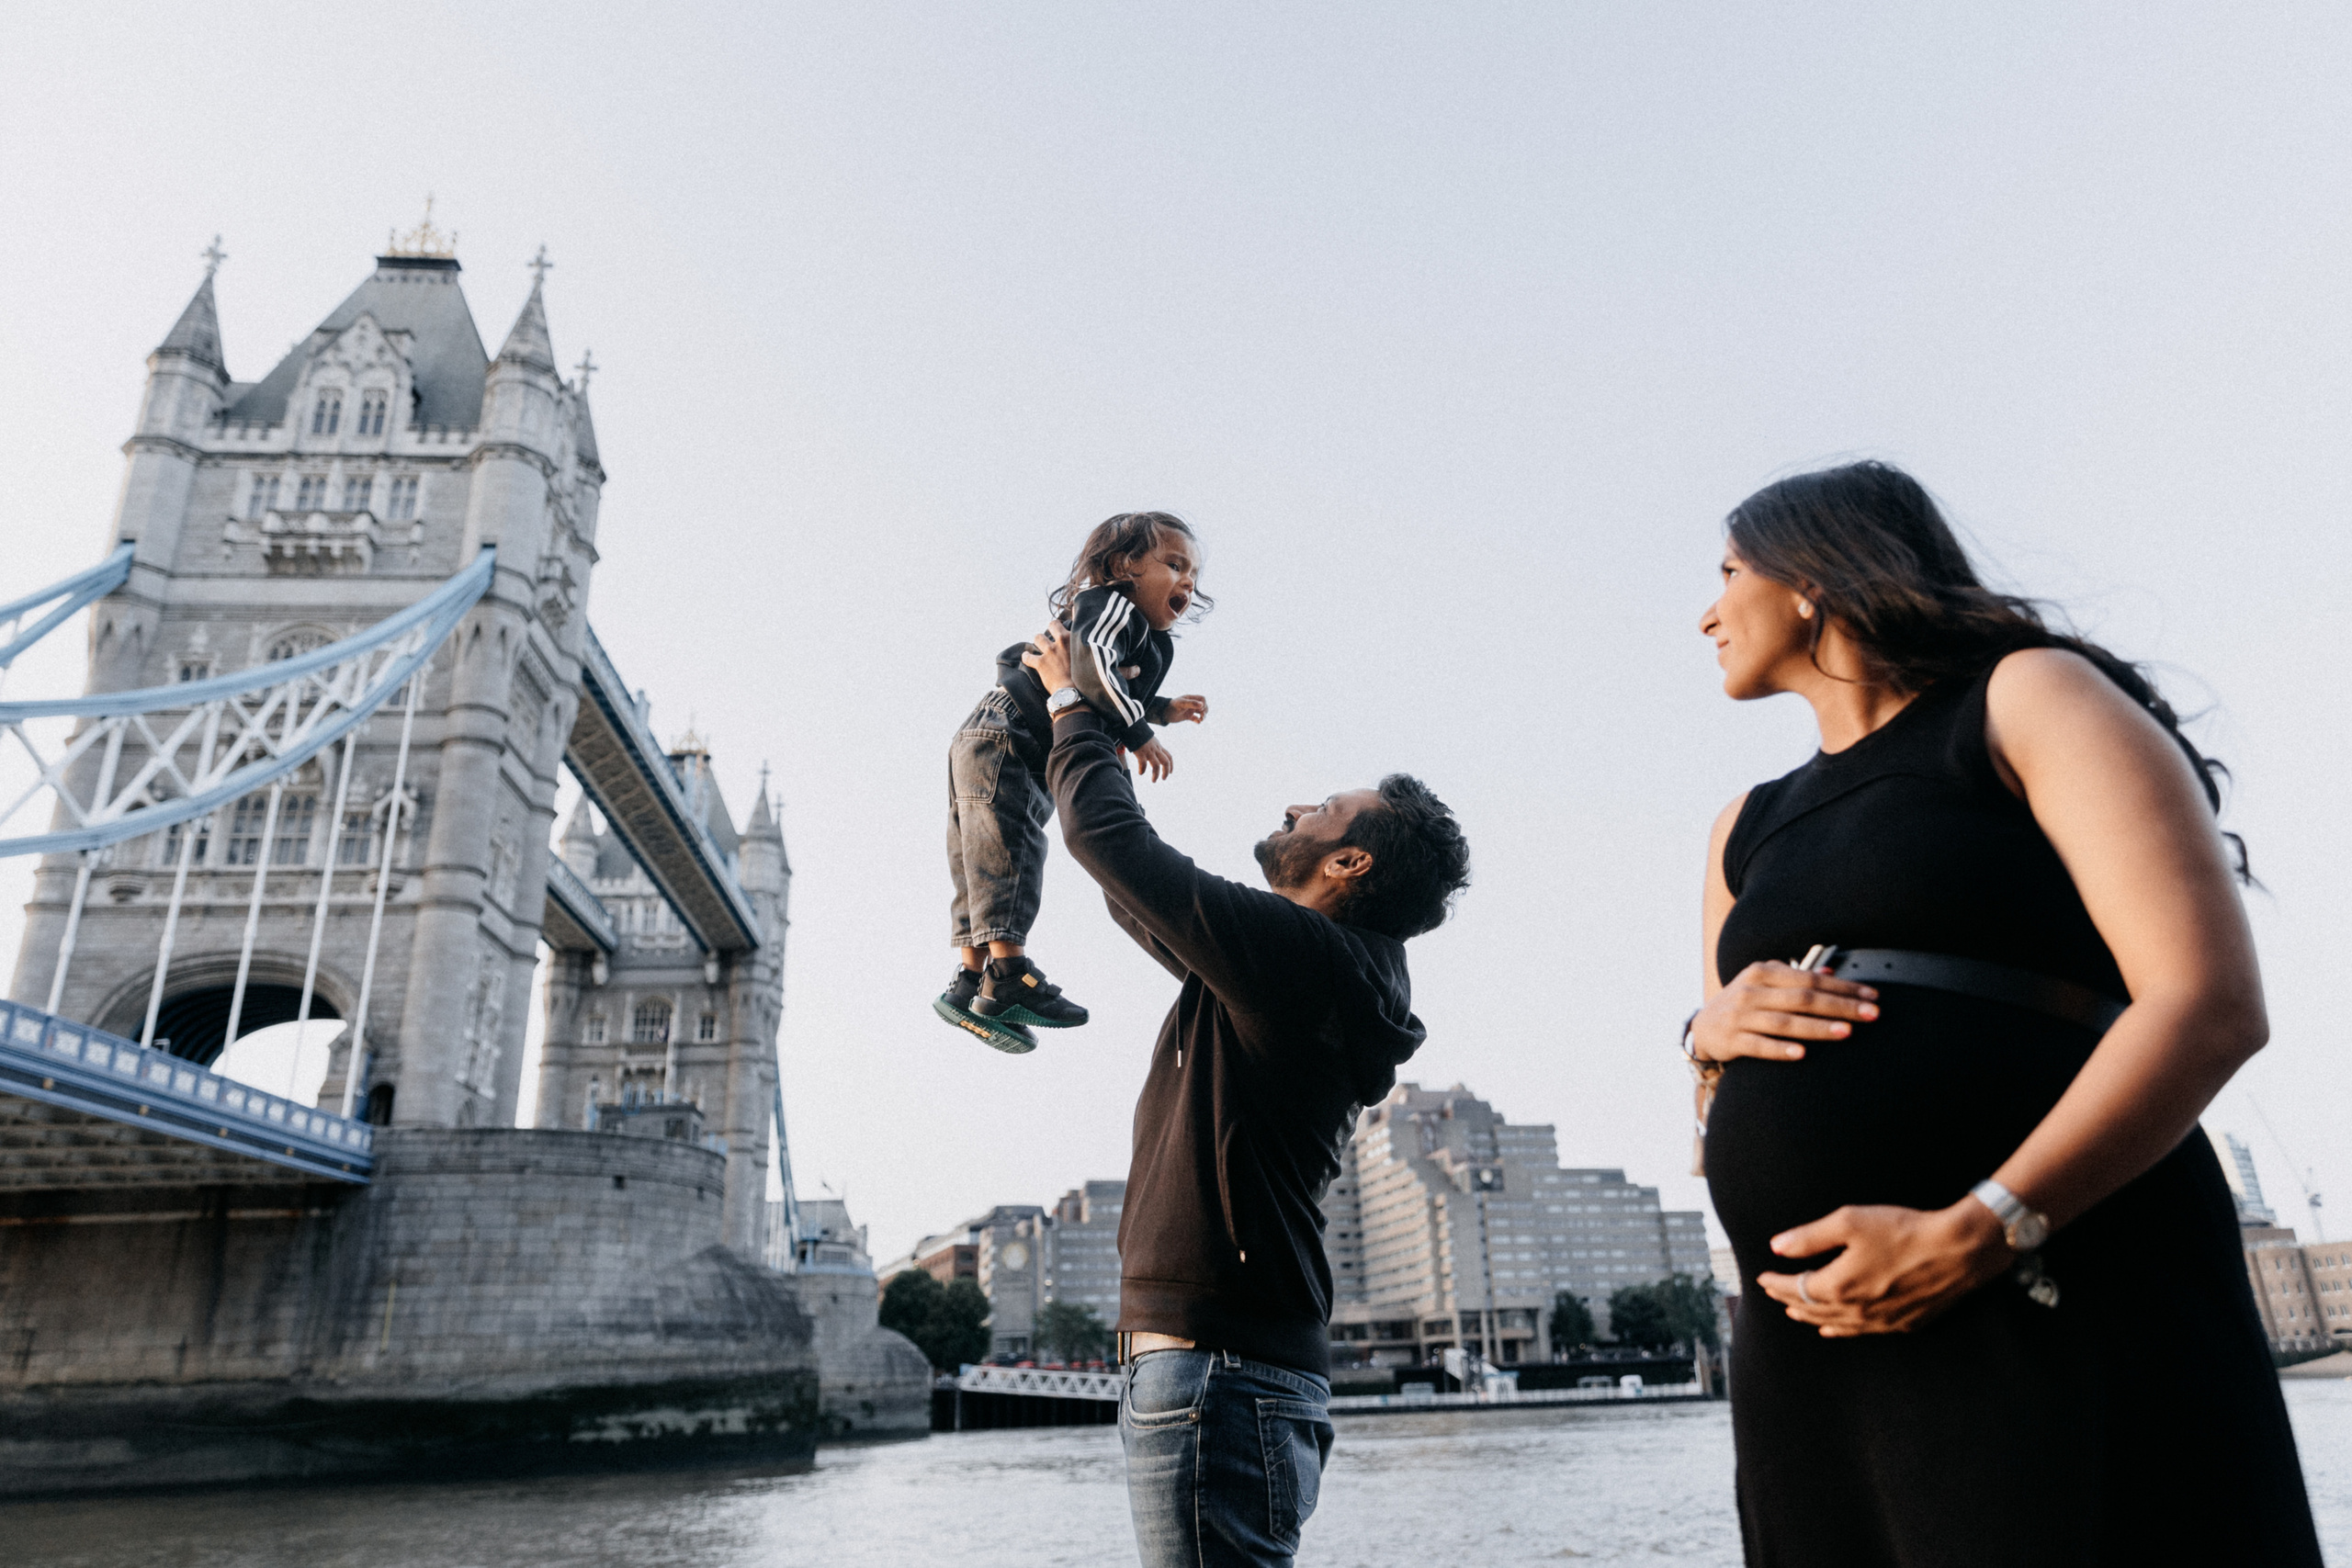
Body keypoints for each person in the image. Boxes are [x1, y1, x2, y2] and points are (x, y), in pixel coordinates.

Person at [1690, 460, 2322, 1565]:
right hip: (1810, 1347)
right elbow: (1714, 1103)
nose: (1707, 613)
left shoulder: (2026, 698)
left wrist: (1986, 1228)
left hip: (2041, 1273)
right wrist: (1703, 1040)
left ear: (1810, 577)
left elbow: (2207, 1001)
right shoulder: (1744, 825)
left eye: (1729, 571)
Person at [1023, 618, 1469, 1568]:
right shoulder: (1301, 970)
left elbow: (1113, 845)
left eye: (1322, 810)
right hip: (1224, 1365)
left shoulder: (1304, 958)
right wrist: (1083, 741)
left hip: (1217, 1366)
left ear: (1348, 864)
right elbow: (1132, 890)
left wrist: (1073, 708)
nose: (1295, 808)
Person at [935, 512, 1211, 1053]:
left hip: (995, 735)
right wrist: (1139, 732)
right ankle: (1009, 974)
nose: (1187, 581)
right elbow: (1092, 670)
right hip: (1015, 733)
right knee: (1011, 848)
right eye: (1174, 564)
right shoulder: (1111, 607)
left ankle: (970, 981)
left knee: (979, 853)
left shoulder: (1134, 632)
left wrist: (1162, 709)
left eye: (1194, 574)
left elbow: (1109, 682)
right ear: (1123, 567)